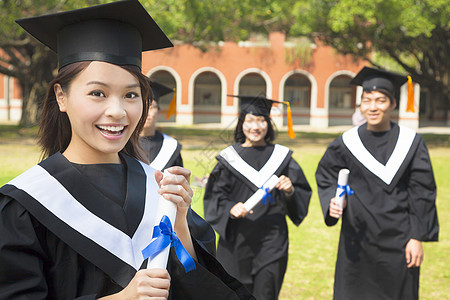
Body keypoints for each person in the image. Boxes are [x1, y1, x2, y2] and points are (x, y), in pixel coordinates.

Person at [0, 1, 254, 299]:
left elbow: (203, 289)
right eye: (98, 93)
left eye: (131, 94)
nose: (118, 111)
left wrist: (180, 224)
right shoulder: (27, 203)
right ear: (61, 96)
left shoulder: (155, 188)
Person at [315, 66, 439, 300]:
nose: (373, 107)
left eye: (380, 100)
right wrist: (332, 200)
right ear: (360, 104)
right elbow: (325, 175)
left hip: (400, 240)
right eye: (367, 100)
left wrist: (417, 236)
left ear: (393, 104)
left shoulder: (410, 143)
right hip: (356, 240)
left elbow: (422, 192)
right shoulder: (347, 143)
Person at [203, 95, 312, 300]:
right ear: (241, 123)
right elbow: (214, 196)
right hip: (236, 241)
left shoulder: (282, 157)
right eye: (250, 120)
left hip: (272, 241)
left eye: (261, 120)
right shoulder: (229, 158)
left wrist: (289, 191)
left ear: (268, 124)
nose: (256, 126)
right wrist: (230, 208)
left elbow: (301, 194)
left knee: (266, 294)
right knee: (235, 294)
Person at [139, 80, 183, 170]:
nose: (146, 112)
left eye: (151, 107)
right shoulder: (123, 145)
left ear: (159, 112)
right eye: (143, 106)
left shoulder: (170, 147)